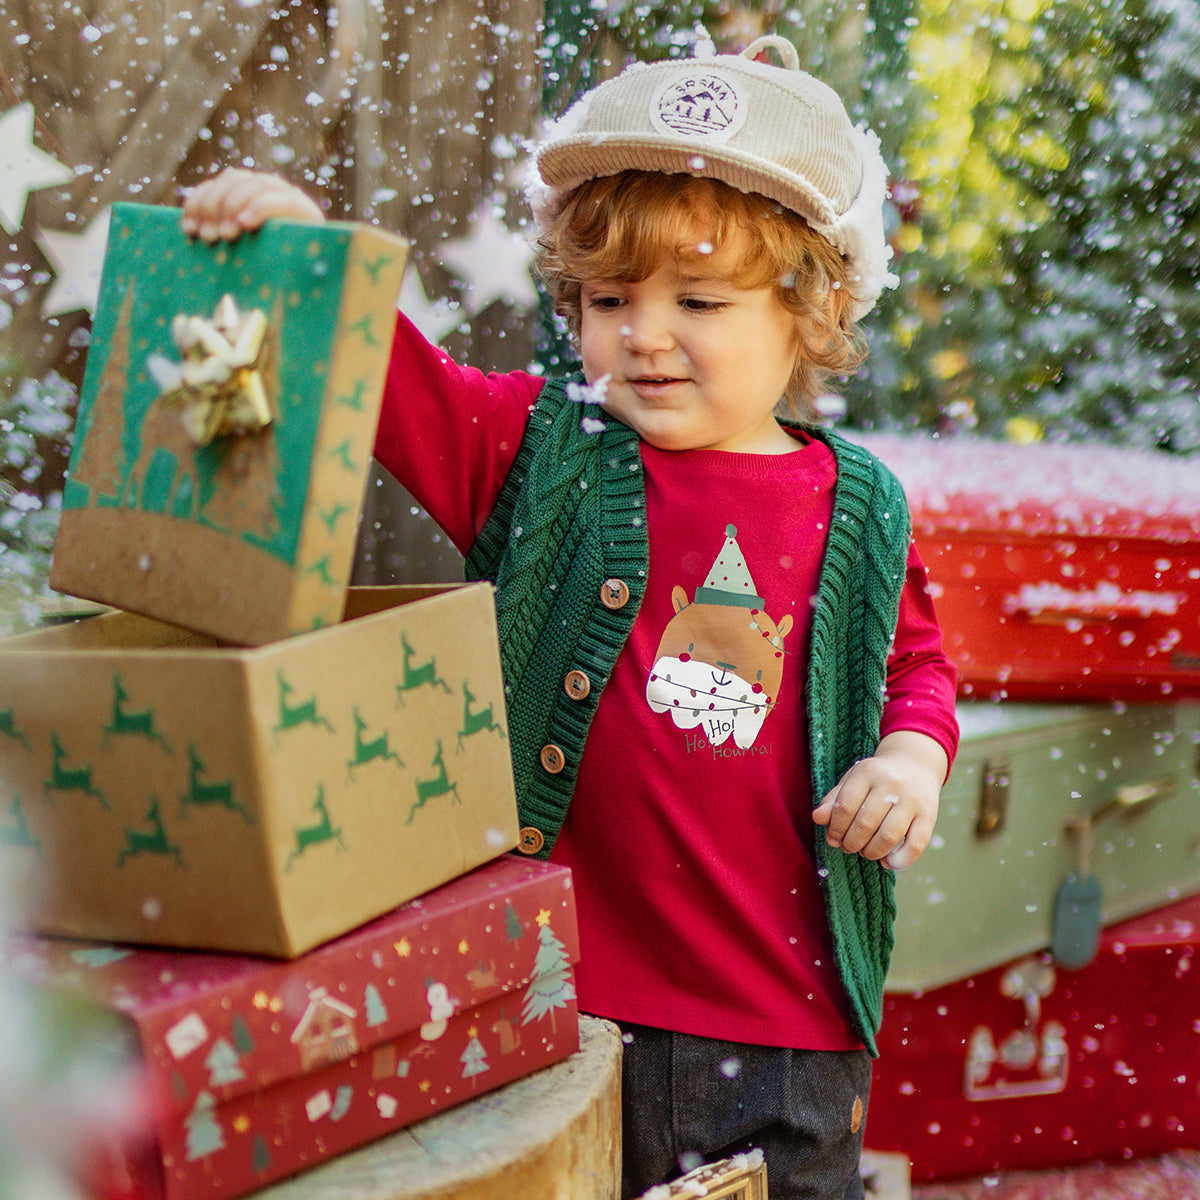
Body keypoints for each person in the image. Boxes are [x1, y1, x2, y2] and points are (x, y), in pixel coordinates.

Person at [183, 34, 959, 1200]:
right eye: (609, 300)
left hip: (779, 1023)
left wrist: (909, 757)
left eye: (698, 299)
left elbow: (919, 670)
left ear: (816, 306)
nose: (644, 333)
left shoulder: (858, 506)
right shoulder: (537, 449)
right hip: (547, 1000)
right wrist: (309, 251)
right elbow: (393, 387)